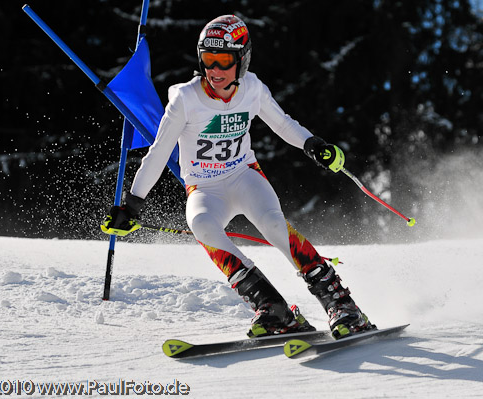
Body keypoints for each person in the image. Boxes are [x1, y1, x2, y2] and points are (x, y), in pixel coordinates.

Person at [104, 15, 375, 338]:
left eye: (223, 61)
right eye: (207, 61)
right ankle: (273, 310)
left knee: (274, 225)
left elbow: (283, 123)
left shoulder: (252, 89)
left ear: (242, 60)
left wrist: (314, 145)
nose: (214, 71)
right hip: (204, 187)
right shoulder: (186, 99)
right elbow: (159, 152)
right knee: (202, 224)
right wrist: (132, 205)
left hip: (244, 177)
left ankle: (343, 307)